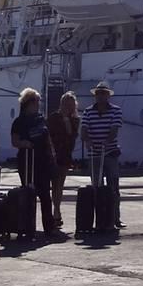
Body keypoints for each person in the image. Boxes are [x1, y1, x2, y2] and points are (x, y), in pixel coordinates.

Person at [9, 88, 59, 239]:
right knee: (28, 194)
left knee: (45, 195)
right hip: (27, 161)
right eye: (36, 101)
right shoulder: (19, 122)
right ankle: (27, 227)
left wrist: (52, 155)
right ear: (28, 103)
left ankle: (49, 228)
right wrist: (25, 143)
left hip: (42, 161)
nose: (38, 104)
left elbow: (47, 138)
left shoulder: (40, 119)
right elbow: (14, 141)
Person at [81, 83, 124, 229]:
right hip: (94, 154)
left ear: (108, 95)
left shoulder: (116, 111)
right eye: (98, 94)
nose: (100, 96)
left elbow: (114, 130)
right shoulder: (88, 112)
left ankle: (115, 218)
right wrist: (87, 140)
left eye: (103, 93)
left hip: (110, 152)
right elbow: (84, 129)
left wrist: (106, 141)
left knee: (113, 186)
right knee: (96, 186)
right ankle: (98, 218)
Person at [47, 91, 80, 228]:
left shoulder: (75, 120)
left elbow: (71, 135)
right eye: (66, 104)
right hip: (52, 154)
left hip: (65, 154)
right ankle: (53, 212)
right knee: (52, 184)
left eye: (70, 104)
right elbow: (48, 133)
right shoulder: (53, 117)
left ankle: (57, 211)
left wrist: (66, 119)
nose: (68, 107)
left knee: (59, 184)